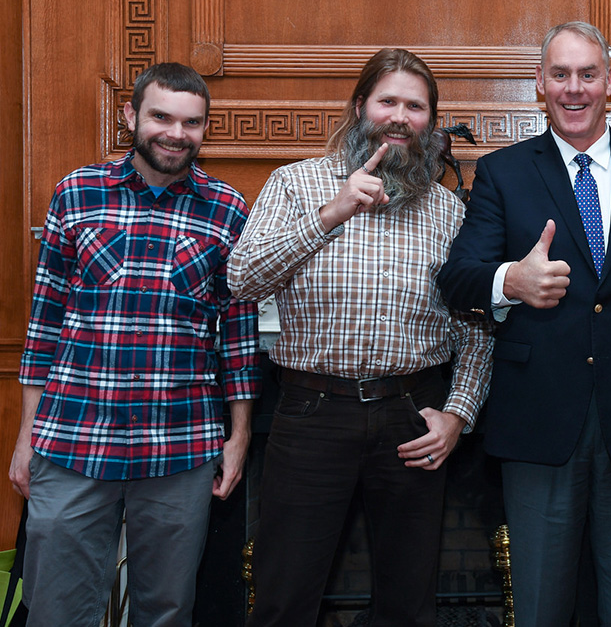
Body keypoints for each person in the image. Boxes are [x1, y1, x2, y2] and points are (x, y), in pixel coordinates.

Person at [437, 21, 611, 625]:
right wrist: (510, 280)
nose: (574, 88)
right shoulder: (503, 173)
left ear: (609, 83)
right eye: (560, 74)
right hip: (537, 423)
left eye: (588, 74)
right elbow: (457, 277)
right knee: (540, 606)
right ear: (539, 84)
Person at [228, 48, 493, 626]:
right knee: (283, 597)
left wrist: (457, 413)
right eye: (388, 101)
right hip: (311, 412)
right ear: (359, 107)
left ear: (431, 120)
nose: (401, 116)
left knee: (409, 602)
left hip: (412, 416)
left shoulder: (448, 211)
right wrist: (334, 211)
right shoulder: (296, 183)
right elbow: (242, 280)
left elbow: (475, 326)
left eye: (416, 106)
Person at [9, 62, 260, 627]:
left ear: (204, 129)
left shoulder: (227, 209)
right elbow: (43, 323)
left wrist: (239, 436)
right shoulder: (75, 192)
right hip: (73, 439)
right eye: (162, 116)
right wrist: (26, 435)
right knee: (55, 609)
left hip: (181, 446)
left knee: (167, 611)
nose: (176, 133)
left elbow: (239, 339)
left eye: (192, 122)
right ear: (131, 116)